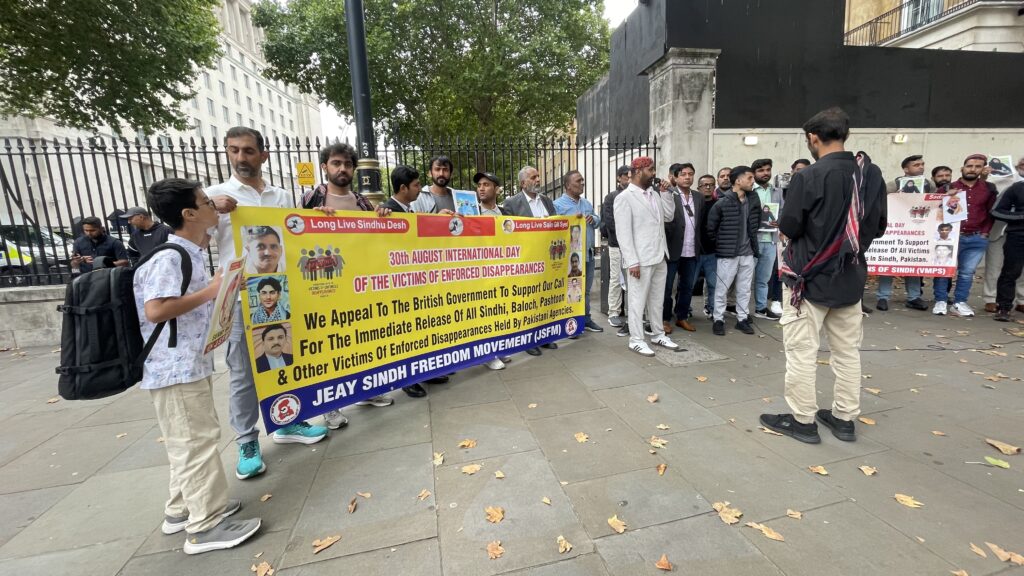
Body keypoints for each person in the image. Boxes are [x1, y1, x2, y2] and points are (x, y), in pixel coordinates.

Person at [135, 177, 260, 554]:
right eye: (206, 202)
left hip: (188, 363)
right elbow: (155, 310)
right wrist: (213, 289)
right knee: (196, 443)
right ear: (189, 213)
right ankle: (205, 526)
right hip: (174, 368)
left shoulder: (187, 250)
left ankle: (181, 510)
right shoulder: (171, 256)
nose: (214, 206)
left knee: (186, 442)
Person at [760, 107, 887, 445]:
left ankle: (803, 421)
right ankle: (844, 418)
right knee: (847, 353)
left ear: (813, 138)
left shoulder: (809, 176)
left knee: (802, 352)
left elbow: (789, 225)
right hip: (850, 278)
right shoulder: (869, 175)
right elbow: (877, 227)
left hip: (808, 279)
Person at [207, 126, 328, 481]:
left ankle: (288, 421)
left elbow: (295, 235)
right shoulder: (215, 195)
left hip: (280, 294)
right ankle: (247, 440)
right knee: (244, 373)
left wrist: (323, 222)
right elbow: (192, 236)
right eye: (234, 151)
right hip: (241, 298)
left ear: (263, 155)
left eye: (247, 151)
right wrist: (210, 210)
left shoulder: (281, 195)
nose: (241, 158)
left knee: (283, 361)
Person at [303, 142, 393, 413]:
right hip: (324, 286)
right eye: (336, 163)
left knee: (362, 341)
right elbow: (296, 237)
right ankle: (331, 407)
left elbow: (374, 243)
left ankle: (367, 391)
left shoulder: (363, 202)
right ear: (324, 167)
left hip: (358, 287)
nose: (342, 169)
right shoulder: (312, 199)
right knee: (330, 346)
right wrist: (313, 220)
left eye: (347, 164)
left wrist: (382, 216)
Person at [613, 156, 679, 356]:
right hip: (639, 260)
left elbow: (668, 216)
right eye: (650, 170)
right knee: (637, 300)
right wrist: (632, 261)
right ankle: (636, 339)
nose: (654, 174)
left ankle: (658, 333)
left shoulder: (656, 194)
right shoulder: (624, 198)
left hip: (659, 255)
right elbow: (623, 234)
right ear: (638, 171)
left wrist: (667, 194)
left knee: (657, 299)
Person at [381, 165, 434, 397]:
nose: (419, 189)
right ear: (403, 188)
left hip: (415, 282)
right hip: (399, 285)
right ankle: (408, 379)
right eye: (415, 185)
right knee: (406, 336)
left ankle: (425, 373)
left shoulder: (408, 210)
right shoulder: (387, 210)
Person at [502, 166, 559, 356]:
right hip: (526, 262)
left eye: (538, 176)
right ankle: (528, 340)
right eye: (533, 177)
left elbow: (557, 224)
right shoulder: (511, 204)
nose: (538, 180)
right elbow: (509, 234)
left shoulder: (546, 201)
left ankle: (544, 336)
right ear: (522, 183)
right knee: (527, 302)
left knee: (543, 300)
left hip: (547, 260)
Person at [934, 154, 997, 317]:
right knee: (943, 269)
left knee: (967, 272)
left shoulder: (989, 188)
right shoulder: (947, 187)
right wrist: (945, 198)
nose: (973, 169)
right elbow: (934, 210)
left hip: (976, 237)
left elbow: (991, 211)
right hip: (950, 236)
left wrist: (985, 232)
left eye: (977, 166)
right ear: (962, 168)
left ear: (982, 169)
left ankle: (959, 302)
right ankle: (940, 300)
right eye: (969, 166)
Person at [707, 166, 761, 336]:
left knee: (745, 289)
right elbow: (711, 229)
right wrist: (723, 245)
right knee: (722, 289)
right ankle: (718, 319)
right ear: (738, 181)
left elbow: (756, 222)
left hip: (748, 253)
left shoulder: (754, 199)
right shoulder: (722, 202)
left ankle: (742, 319)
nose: (753, 181)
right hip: (727, 254)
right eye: (750, 178)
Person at [875, 154, 933, 311]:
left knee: (912, 263)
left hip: (917, 231)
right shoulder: (895, 183)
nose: (920, 167)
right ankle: (883, 297)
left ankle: (914, 297)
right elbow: (880, 199)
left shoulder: (929, 184)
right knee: (888, 263)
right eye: (916, 165)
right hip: (895, 231)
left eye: (922, 164)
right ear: (906, 169)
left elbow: (936, 202)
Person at [553, 169, 604, 333]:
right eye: (578, 181)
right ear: (568, 185)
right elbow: (554, 229)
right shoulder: (557, 205)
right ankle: (570, 324)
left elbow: (597, 222)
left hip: (587, 254)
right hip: (570, 256)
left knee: (585, 290)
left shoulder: (586, 203)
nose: (582, 183)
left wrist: (593, 219)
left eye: (582, 180)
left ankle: (586, 320)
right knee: (570, 289)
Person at [473, 171, 514, 370]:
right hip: (481, 273)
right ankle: (487, 355)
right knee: (485, 314)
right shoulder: (472, 213)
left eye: (486, 184)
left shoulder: (505, 213)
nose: (481, 188)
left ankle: (499, 348)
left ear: (497, 189)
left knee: (499, 312)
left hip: (502, 271)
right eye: (479, 185)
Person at [981, 155, 1024, 314]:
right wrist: (985, 176)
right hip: (999, 228)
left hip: (1020, 232)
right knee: (995, 265)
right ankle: (991, 298)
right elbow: (986, 192)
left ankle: (1021, 299)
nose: (1023, 165)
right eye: (1022, 162)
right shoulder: (1000, 176)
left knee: (1020, 268)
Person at [664, 163, 703, 333]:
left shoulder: (698, 197)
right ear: (675, 177)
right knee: (666, 287)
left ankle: (682, 317)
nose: (687, 177)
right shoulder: (669, 194)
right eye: (684, 174)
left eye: (691, 174)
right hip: (673, 249)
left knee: (687, 286)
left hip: (692, 250)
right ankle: (664, 319)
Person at [751, 159, 784, 320]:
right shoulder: (750, 190)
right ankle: (739, 311)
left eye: (768, 170)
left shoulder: (777, 191)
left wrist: (780, 221)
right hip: (752, 241)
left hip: (770, 240)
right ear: (754, 173)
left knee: (764, 278)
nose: (765, 173)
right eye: (761, 170)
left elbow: (782, 211)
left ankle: (761, 308)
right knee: (743, 279)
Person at [601, 165, 631, 328]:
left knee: (632, 280)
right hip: (617, 245)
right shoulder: (611, 197)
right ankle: (613, 312)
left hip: (633, 245)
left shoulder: (635, 195)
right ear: (619, 178)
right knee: (615, 279)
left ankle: (630, 311)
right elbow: (610, 222)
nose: (629, 178)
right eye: (626, 175)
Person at [991, 179, 1024, 321]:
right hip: (1018, 236)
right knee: (1011, 272)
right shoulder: (1016, 188)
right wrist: (1020, 217)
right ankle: (1004, 308)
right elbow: (996, 211)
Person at [695, 174, 719, 319]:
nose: (708, 187)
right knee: (688, 285)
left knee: (713, 284)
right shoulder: (693, 204)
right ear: (698, 188)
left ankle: (712, 309)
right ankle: (685, 311)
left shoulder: (718, 205)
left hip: (712, 252)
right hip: (694, 252)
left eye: (711, 185)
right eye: (705, 185)